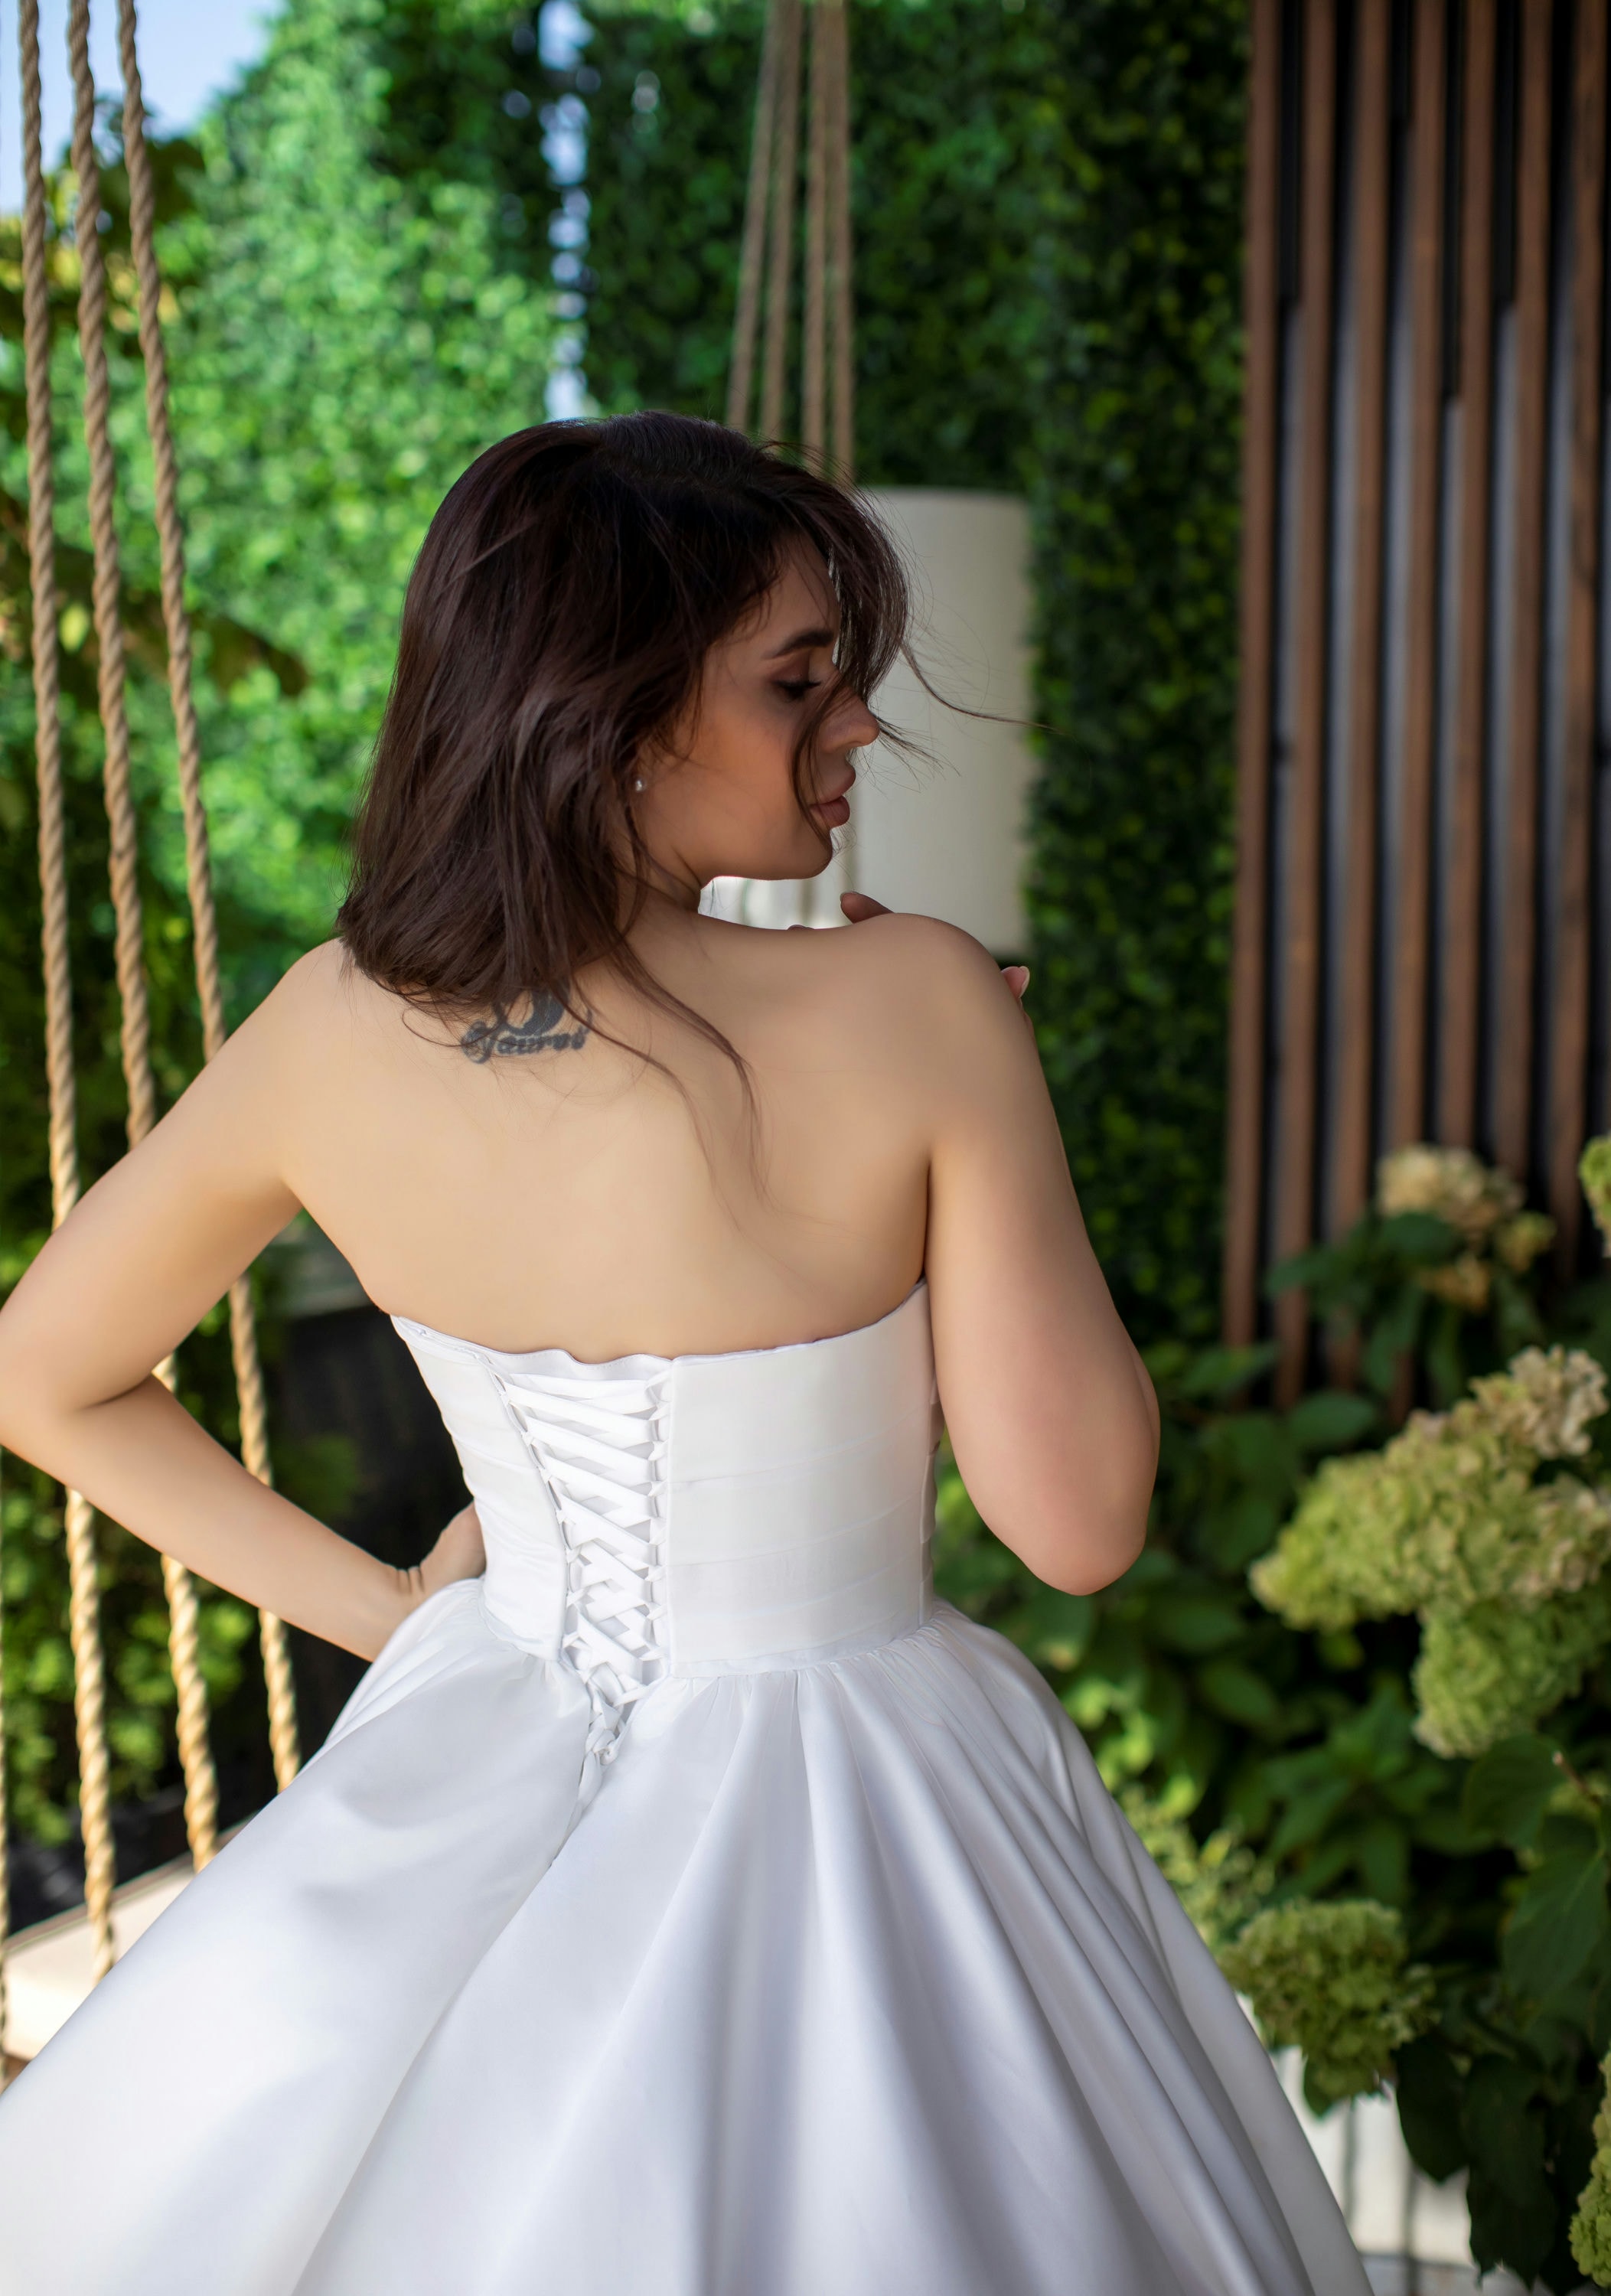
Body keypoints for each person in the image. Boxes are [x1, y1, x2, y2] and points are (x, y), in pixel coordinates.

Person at [0, 413, 1368, 2295]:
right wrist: (990, 1078)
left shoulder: (329, 1024)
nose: (858, 727)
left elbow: (43, 1377)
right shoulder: (916, 998)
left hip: (470, 1747)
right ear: (617, 712)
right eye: (799, 681)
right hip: (874, 1789)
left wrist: (400, 1621)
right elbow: (1078, 1525)